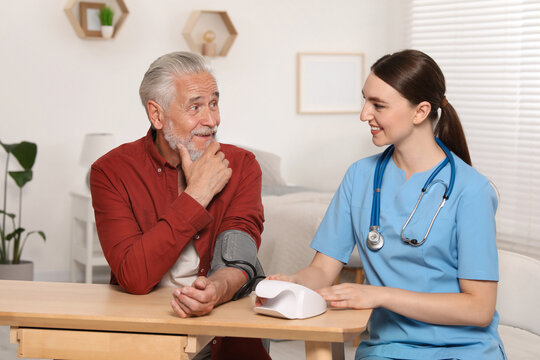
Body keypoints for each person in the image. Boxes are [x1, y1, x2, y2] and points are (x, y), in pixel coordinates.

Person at [263, 49, 507, 359]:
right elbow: (322, 270)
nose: (364, 114)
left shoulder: (471, 190)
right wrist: (294, 282)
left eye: (378, 105)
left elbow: (479, 308)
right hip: (388, 349)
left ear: (420, 112)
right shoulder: (360, 177)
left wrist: (378, 295)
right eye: (365, 100)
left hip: (463, 350)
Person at [90, 51, 270, 360]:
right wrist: (197, 196)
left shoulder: (242, 166)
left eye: (214, 103)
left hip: (222, 337)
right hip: (143, 338)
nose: (212, 120)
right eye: (196, 107)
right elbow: (133, 275)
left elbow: (239, 260)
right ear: (157, 115)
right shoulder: (111, 171)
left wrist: (214, 290)